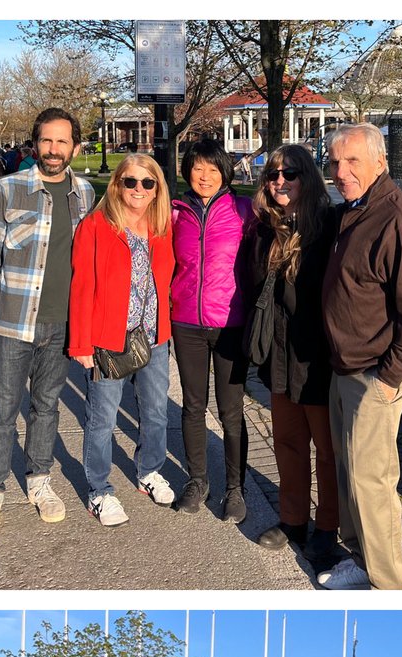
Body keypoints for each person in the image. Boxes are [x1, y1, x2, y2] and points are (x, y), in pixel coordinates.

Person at [318, 123, 402, 591]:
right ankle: (360, 559)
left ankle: (388, 584)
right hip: (345, 367)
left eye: (352, 161)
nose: (340, 171)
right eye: (334, 162)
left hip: (377, 374)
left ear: (380, 162)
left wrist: (391, 379)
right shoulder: (354, 211)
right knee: (349, 470)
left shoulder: (399, 220)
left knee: (372, 480)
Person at [0, 109, 94, 547]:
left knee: (46, 406)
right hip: (13, 321)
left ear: (75, 147)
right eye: (46, 141)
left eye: (62, 142)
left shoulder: (84, 193)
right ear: (35, 144)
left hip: (62, 323)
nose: (54, 150)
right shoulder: (9, 189)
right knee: (2, 411)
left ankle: (39, 479)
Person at [241, 143, 340, 570]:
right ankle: (293, 519)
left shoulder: (329, 226)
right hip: (279, 356)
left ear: (307, 178)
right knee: (287, 443)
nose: (279, 181)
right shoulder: (266, 228)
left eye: (290, 173)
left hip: (317, 358)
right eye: (272, 174)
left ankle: (328, 526)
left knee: (328, 451)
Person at [69, 153, 176, 527]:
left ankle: (150, 470)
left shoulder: (161, 226)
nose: (139, 189)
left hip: (154, 337)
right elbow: (81, 286)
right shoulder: (96, 225)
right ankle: (99, 490)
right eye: (130, 181)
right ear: (117, 184)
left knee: (156, 411)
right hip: (108, 339)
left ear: (157, 189)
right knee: (102, 418)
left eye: (148, 183)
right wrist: (81, 344)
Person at [170, 138, 254, 525]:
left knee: (230, 410)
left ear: (225, 173)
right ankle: (197, 480)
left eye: (213, 169)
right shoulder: (175, 211)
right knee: (193, 405)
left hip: (230, 323)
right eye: (197, 168)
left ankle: (235, 488)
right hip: (187, 322)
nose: (204, 176)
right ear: (187, 170)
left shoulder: (244, 210)